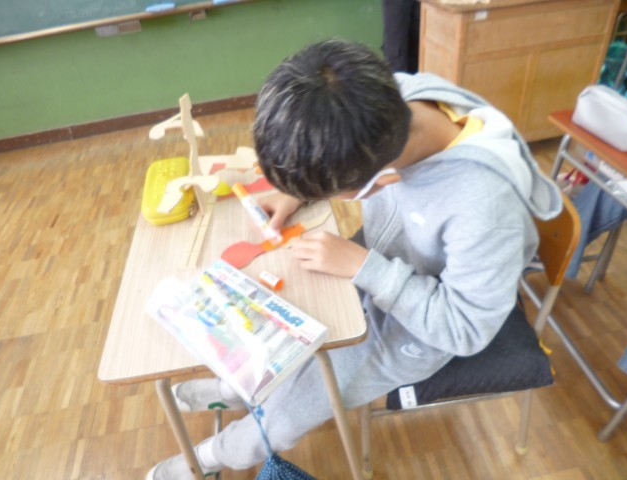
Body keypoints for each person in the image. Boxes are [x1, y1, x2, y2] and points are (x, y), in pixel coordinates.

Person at [147, 38, 562, 479]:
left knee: (291, 409)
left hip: (416, 329)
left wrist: (365, 268)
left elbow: (465, 330)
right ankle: (239, 387)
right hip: (375, 267)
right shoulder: (392, 98)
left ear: (382, 181)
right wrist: (299, 191)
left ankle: (213, 456)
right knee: (278, 313)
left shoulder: (485, 207)